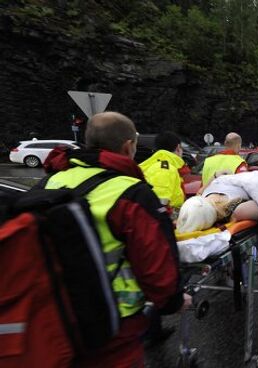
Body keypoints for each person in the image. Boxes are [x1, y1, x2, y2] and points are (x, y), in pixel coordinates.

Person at [39, 112, 190, 368]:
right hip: (112, 323)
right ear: (128, 146)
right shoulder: (130, 192)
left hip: (54, 316)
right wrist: (173, 301)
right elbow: (155, 262)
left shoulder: (51, 181)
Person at [139, 131, 188, 209]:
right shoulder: (164, 168)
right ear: (178, 148)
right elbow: (160, 203)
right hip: (164, 217)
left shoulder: (161, 165)